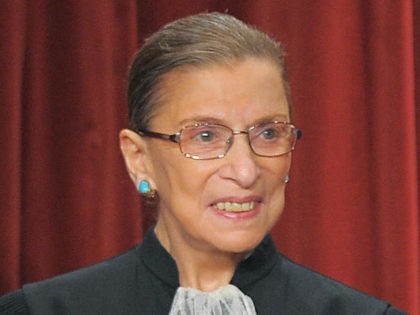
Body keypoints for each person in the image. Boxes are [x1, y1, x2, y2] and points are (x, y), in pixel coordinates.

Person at [0, 12, 407, 315]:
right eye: (206, 136)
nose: (245, 171)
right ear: (138, 158)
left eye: (267, 133)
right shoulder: (42, 311)